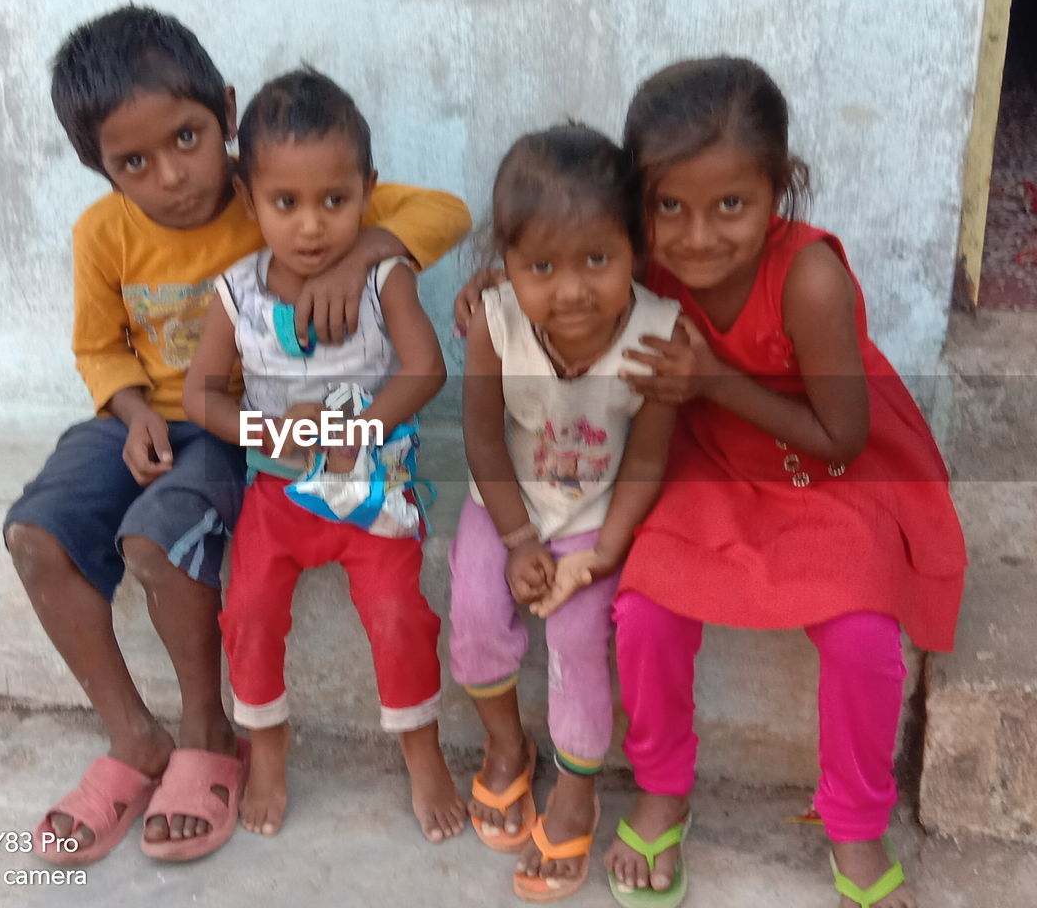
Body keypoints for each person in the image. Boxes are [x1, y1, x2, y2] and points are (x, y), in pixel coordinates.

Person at [4, 6, 470, 865]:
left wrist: (363, 248)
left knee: (156, 539)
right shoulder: (102, 234)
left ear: (223, 113)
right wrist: (131, 409)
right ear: (97, 169)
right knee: (34, 535)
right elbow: (98, 345)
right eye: (132, 162)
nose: (173, 176)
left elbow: (444, 212)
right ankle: (132, 739)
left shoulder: (271, 196)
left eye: (187, 138)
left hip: (243, 435)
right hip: (147, 417)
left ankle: (205, 734)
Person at [604, 57, 966, 908]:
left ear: (780, 188)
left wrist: (716, 384)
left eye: (731, 205)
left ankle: (855, 825)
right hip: (709, 458)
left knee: (863, 638)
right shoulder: (644, 262)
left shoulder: (808, 278)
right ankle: (663, 786)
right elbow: (553, 249)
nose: (697, 237)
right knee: (645, 609)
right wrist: (489, 286)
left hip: (829, 469)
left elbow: (844, 436)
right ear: (639, 201)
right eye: (670, 207)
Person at [183, 68, 466, 844]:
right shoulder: (236, 293)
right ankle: (266, 751)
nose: (312, 227)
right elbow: (200, 396)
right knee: (245, 611)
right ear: (249, 199)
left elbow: (425, 368)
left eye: (334, 202)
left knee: (398, 615)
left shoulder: (383, 275)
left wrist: (364, 426)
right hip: (277, 495)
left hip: (371, 489)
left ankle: (423, 756)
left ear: (368, 193)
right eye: (287, 203)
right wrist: (260, 433)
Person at [451, 123, 680, 902]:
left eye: (597, 260)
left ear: (635, 254)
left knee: (582, 637)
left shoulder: (658, 335)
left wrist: (606, 552)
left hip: (595, 511)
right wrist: (514, 539)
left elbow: (647, 460)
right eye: (540, 265)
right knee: (478, 614)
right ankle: (506, 745)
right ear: (504, 266)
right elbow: (481, 439)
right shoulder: (496, 322)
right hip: (508, 500)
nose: (571, 288)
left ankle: (577, 788)